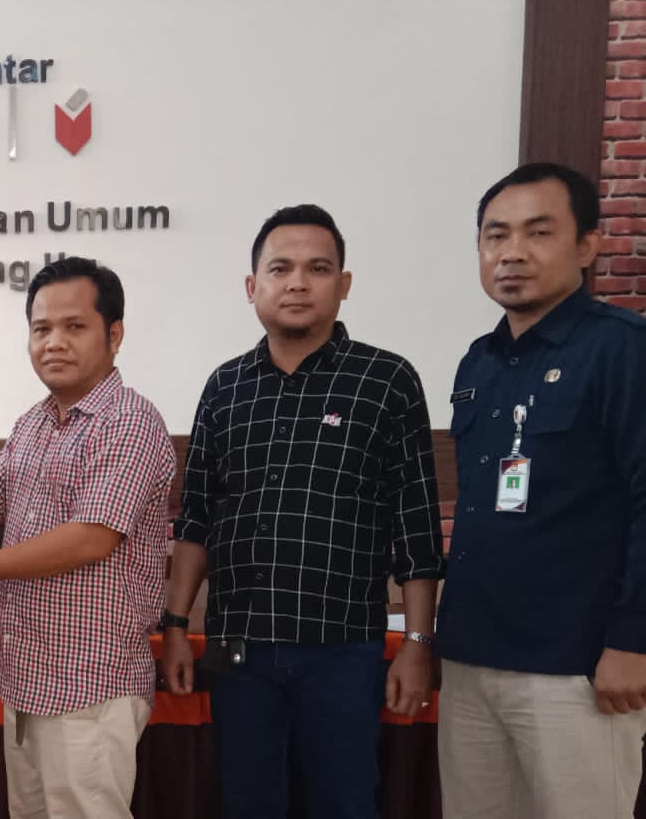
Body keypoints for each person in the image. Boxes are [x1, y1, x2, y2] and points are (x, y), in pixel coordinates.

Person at [162, 204, 444, 819]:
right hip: (239, 648)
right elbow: (197, 519)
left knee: (345, 804)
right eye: (280, 268)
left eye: (318, 269)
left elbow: (416, 526)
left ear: (344, 284)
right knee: (248, 804)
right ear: (252, 286)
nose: (297, 283)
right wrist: (177, 626)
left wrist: (418, 643)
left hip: (343, 650)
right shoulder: (224, 387)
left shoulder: (386, 381)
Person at [0, 256, 174, 819]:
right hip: (27, 673)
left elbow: (90, 539)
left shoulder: (129, 422)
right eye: (41, 329)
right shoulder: (34, 422)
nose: (54, 342)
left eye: (74, 326)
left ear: (114, 335)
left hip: (91, 682)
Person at [436, 163, 646, 819]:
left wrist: (634, 641)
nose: (513, 252)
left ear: (587, 246)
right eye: (496, 235)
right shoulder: (478, 361)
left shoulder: (622, 350)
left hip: (577, 667)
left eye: (538, 232)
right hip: (471, 659)